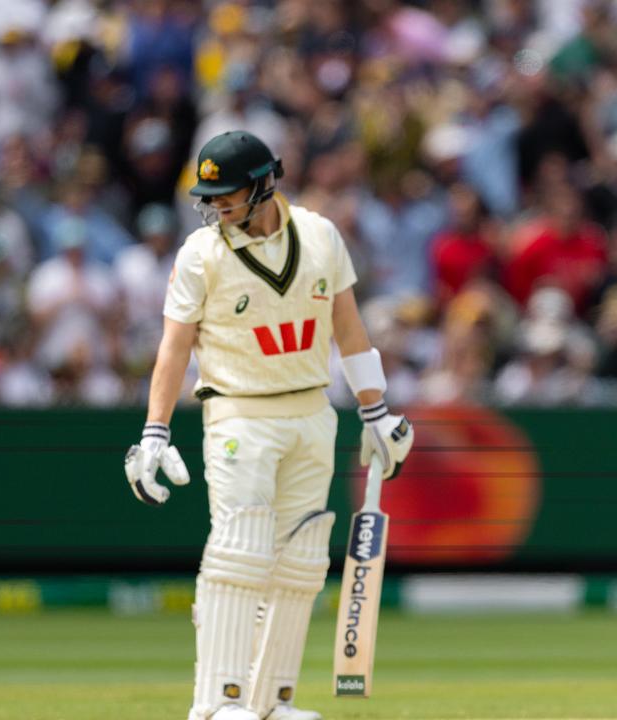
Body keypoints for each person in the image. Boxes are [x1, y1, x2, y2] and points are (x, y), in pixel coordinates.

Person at [123, 130, 414, 720]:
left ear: (262, 185)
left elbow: (350, 330)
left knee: (300, 562)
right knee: (239, 552)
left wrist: (375, 410)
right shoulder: (200, 254)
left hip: (311, 413)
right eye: (210, 197)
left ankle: (270, 701)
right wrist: (155, 430)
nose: (215, 208)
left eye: (226, 195)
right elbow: (174, 349)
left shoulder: (321, 236)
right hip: (239, 413)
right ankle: (217, 703)